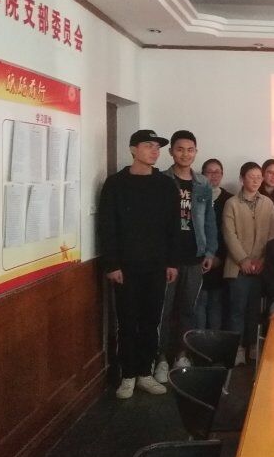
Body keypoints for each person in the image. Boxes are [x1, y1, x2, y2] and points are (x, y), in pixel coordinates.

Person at [98, 129, 179, 399]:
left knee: (151, 320)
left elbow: (173, 227)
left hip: (156, 266)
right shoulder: (115, 184)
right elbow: (107, 226)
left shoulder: (165, 185)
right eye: (148, 145)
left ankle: (145, 372)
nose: (154, 151)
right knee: (127, 321)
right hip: (126, 267)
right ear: (133, 149)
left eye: (157, 147)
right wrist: (112, 264)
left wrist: (172, 262)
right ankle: (128, 375)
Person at [158, 130, 217, 377]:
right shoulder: (161, 180)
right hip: (168, 258)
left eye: (190, 150)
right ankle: (161, 358)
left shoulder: (203, 183)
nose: (185, 154)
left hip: (194, 255)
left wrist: (210, 251)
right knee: (164, 310)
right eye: (180, 149)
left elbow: (209, 220)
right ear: (171, 151)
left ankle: (182, 355)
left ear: (196, 152)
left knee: (188, 310)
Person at [223, 162, 274, 364]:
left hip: (261, 267)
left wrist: (262, 260)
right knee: (237, 310)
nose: (256, 181)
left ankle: (253, 345)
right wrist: (243, 259)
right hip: (238, 267)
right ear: (242, 178)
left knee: (255, 310)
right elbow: (229, 234)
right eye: (251, 176)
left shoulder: (267, 203)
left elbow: (273, 233)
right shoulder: (231, 203)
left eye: (258, 177)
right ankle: (237, 349)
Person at [195, 158, 233, 332]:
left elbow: (230, 232)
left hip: (221, 259)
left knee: (216, 303)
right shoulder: (196, 195)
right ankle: (199, 343)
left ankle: (214, 344)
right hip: (199, 258)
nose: (214, 175)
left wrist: (219, 256)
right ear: (202, 175)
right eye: (209, 172)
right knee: (199, 302)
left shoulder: (229, 199)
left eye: (217, 172)